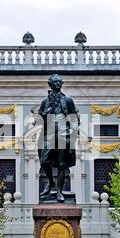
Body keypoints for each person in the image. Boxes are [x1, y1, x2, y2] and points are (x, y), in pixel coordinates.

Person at [38, 74, 80, 203]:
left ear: (61, 84)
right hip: (48, 133)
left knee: (62, 165)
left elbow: (74, 118)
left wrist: (72, 130)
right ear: (50, 84)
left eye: (59, 82)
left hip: (62, 133)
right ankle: (50, 182)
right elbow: (39, 118)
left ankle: (59, 192)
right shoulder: (45, 102)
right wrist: (44, 115)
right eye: (55, 82)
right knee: (44, 161)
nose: (57, 84)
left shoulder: (67, 100)